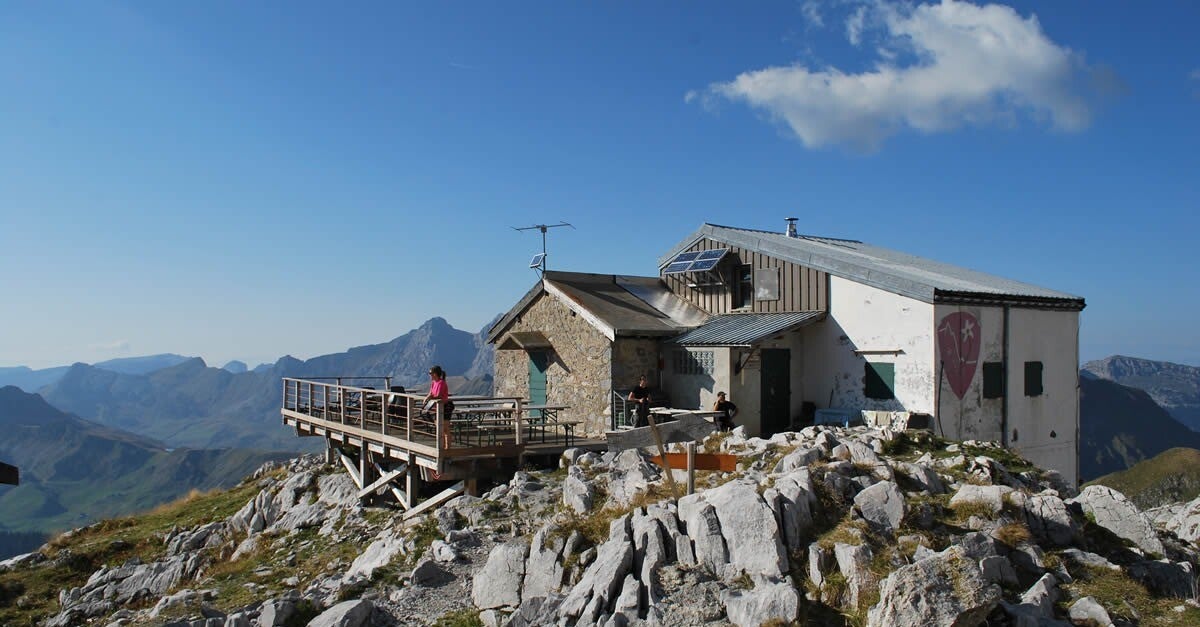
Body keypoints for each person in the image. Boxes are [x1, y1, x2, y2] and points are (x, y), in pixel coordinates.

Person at [424, 366, 454, 448]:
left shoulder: (442, 383)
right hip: (437, 407)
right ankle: (442, 446)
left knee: (445, 429)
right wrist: (427, 397)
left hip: (445, 407)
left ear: (435, 374)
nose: (430, 375)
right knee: (440, 428)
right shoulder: (433, 382)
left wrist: (430, 398)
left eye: (430, 373)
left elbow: (439, 395)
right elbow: (431, 392)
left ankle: (447, 447)